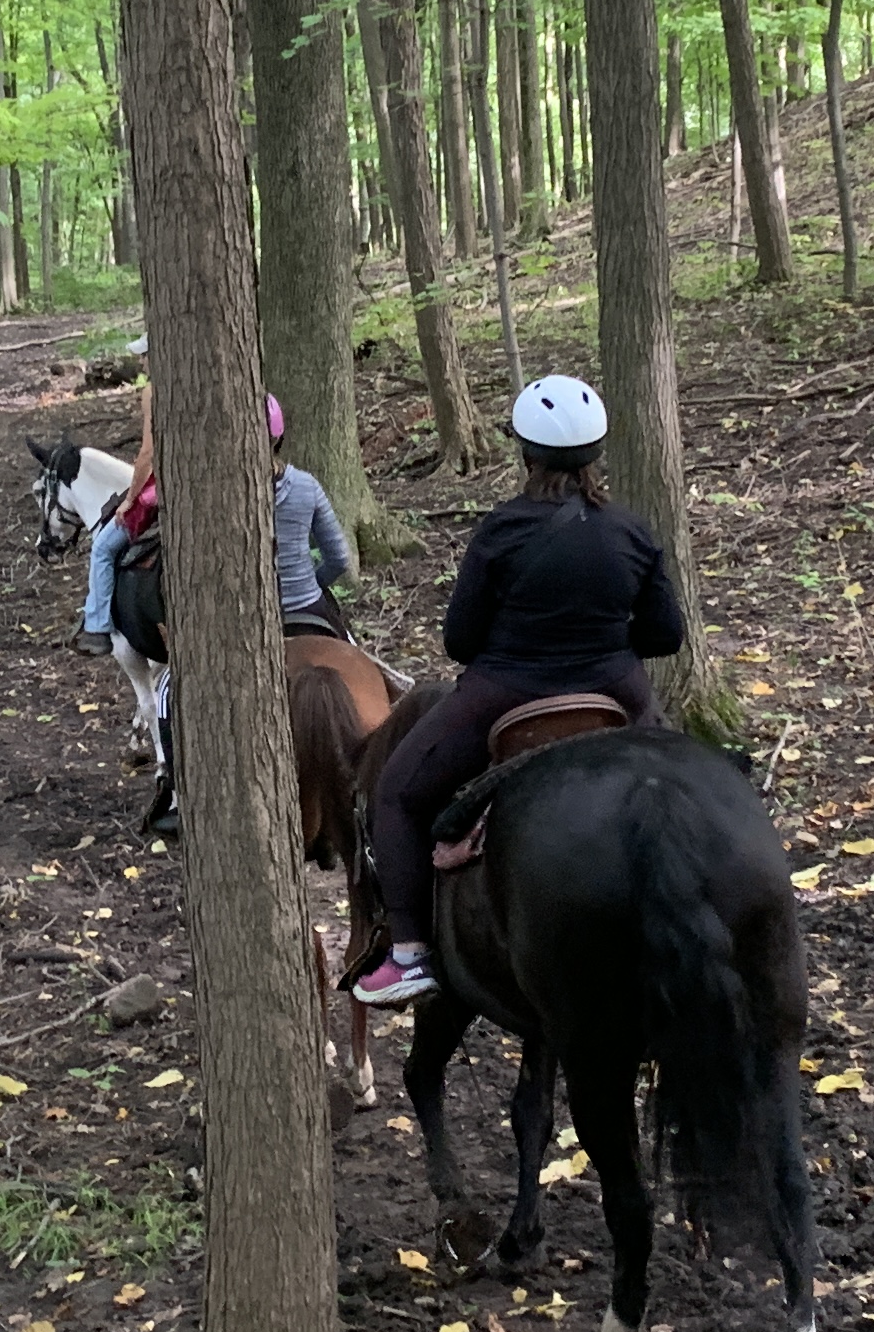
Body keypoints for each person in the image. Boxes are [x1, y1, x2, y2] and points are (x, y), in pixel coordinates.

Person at [352, 375, 680, 1005]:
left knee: (395, 792)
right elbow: (666, 635)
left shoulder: (502, 530)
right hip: (618, 691)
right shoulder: (633, 533)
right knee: (694, 780)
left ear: (525, 454)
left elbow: (460, 641)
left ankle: (411, 955)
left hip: (506, 691)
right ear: (596, 454)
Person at [73, 367, 155, 646]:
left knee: (102, 548)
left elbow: (147, 453)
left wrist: (130, 500)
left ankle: (97, 626)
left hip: (160, 488)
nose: (142, 364)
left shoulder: (153, 392)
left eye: (144, 356)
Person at [268, 396, 357, 637]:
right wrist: (309, 584)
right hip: (307, 606)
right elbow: (339, 558)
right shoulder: (306, 486)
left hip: (250, 616)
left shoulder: (227, 493)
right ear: (278, 438)